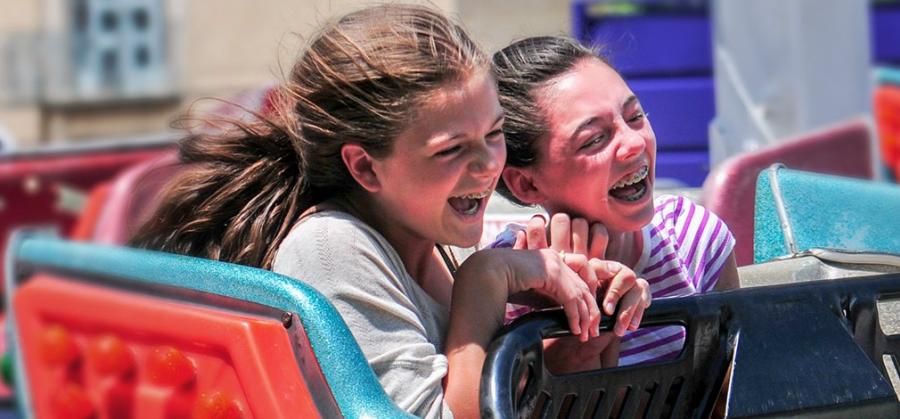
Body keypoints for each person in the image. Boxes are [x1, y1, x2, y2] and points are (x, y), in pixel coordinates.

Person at [131, 7, 651, 418]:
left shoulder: (428, 233)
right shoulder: (333, 247)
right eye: (451, 150)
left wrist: (569, 339)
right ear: (365, 167)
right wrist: (487, 279)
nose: (487, 166)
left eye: (494, 135)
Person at [490, 36, 740, 367]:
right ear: (526, 184)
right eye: (594, 139)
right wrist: (571, 325)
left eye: (635, 116)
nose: (635, 142)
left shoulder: (693, 236)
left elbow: (736, 388)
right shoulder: (507, 280)